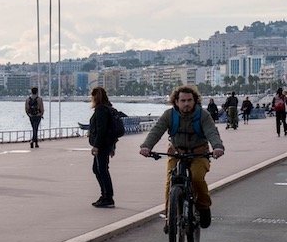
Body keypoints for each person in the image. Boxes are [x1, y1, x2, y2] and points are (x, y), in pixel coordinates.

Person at [138, 85, 225, 229]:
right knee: (170, 183)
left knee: (197, 178)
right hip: (176, 153)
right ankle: (169, 219)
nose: (186, 104)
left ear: (195, 101)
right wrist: (146, 146)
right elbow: (156, 131)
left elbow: (211, 132)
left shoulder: (203, 115)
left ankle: (203, 207)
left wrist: (217, 147)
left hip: (199, 154)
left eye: (189, 100)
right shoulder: (169, 115)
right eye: (183, 100)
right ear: (176, 102)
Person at [88, 86, 117, 208]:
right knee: (97, 169)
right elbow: (111, 130)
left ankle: (108, 197)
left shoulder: (101, 110)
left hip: (102, 145)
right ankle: (105, 195)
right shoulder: (108, 108)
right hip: (107, 144)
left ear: (95, 97)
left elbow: (101, 130)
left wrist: (96, 146)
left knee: (102, 170)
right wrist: (113, 146)